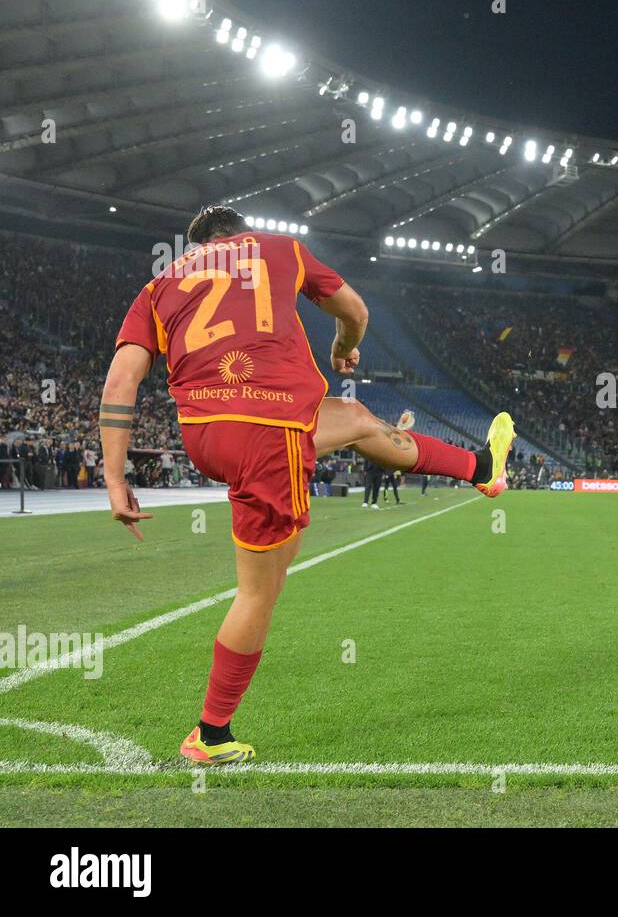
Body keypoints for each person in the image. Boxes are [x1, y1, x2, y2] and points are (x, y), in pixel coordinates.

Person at [99, 204, 516, 765]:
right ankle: (210, 734)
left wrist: (114, 474)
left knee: (357, 417)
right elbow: (356, 310)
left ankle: (481, 469)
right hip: (269, 430)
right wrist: (344, 347)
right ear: (241, 232)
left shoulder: (160, 284)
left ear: (194, 245)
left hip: (206, 431)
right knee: (260, 590)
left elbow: (122, 379)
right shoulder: (278, 249)